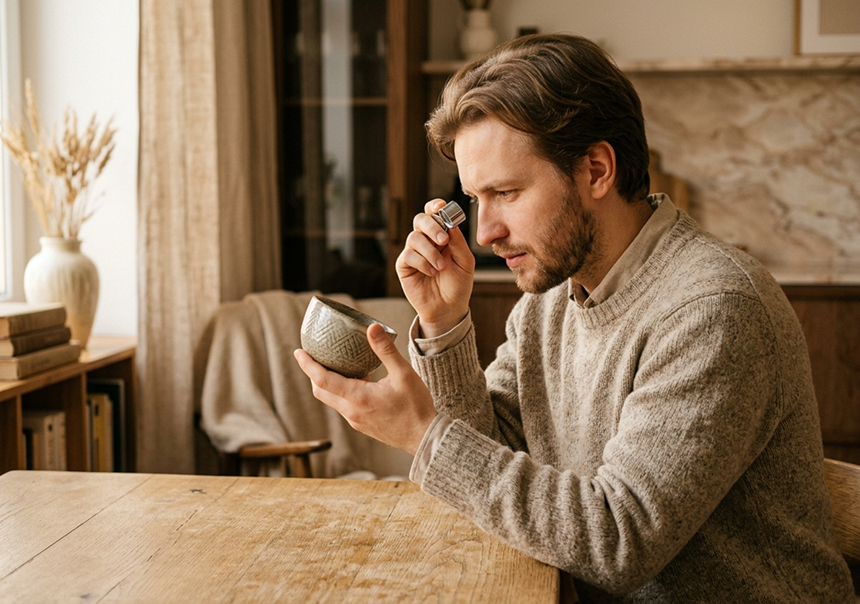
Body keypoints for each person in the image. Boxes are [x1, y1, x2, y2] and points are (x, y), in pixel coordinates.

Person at [294, 33, 854, 603]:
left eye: (506, 192)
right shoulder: (552, 298)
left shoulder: (712, 310)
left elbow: (616, 541)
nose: (484, 234)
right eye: (475, 200)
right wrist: (444, 325)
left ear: (596, 170)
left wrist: (421, 434)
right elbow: (492, 454)